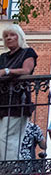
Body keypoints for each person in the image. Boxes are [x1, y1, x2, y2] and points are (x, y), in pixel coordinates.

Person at [0, 23, 37, 164]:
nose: (9, 38)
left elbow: (27, 70)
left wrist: (7, 71)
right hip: (3, 101)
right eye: (6, 36)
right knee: (2, 139)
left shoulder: (27, 52)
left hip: (17, 101)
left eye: (12, 35)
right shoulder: (3, 57)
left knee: (7, 138)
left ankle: (11, 174)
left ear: (19, 36)